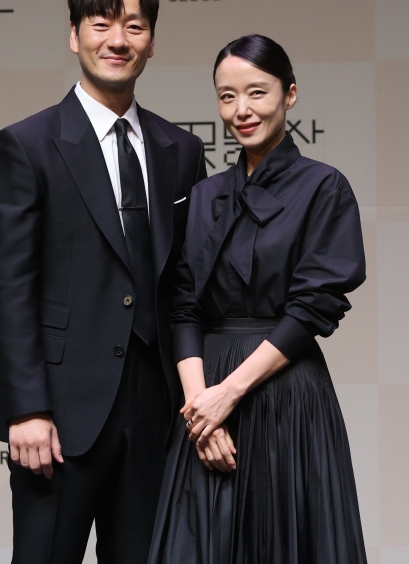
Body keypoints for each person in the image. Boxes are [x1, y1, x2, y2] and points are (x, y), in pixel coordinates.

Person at [0, 0, 206, 564]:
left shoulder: (181, 150)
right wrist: (27, 406)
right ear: (74, 36)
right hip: (58, 414)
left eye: (134, 26)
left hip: (155, 411)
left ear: (152, 41)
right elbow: (7, 287)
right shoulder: (26, 145)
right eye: (101, 24)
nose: (118, 40)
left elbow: (185, 282)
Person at [149, 34, 368, 563]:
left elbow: (312, 307)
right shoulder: (203, 196)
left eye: (257, 92)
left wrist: (230, 393)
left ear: (290, 94)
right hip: (205, 405)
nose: (241, 110)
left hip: (284, 393)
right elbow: (182, 306)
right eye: (227, 96)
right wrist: (202, 411)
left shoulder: (324, 187)